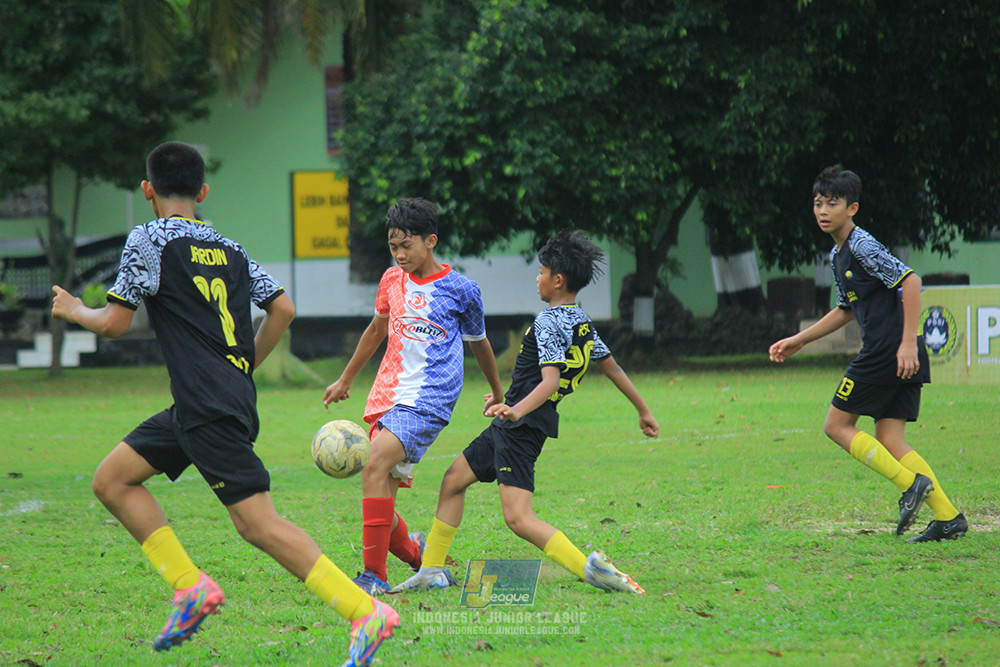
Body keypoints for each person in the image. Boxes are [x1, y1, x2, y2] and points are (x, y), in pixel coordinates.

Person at [51, 141, 399, 666]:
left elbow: (116, 323)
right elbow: (282, 308)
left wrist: (77, 309)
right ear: (202, 192)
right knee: (113, 479)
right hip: (214, 399)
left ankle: (363, 611)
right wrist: (241, 366)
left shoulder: (148, 239)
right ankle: (190, 588)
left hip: (206, 403)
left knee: (258, 524)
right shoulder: (229, 248)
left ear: (147, 190)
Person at [393, 230, 660, 594]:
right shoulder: (580, 321)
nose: (537, 279)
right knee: (453, 480)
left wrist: (516, 410)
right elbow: (612, 367)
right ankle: (431, 571)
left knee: (518, 518)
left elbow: (549, 381)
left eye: (541, 272)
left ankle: (589, 568)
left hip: (522, 425)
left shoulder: (550, 321)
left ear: (558, 279)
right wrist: (643, 410)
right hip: (516, 421)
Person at [769, 165, 967, 542]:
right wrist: (801, 339)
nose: (823, 211)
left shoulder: (861, 245)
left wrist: (908, 342)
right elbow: (846, 309)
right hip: (897, 351)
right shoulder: (837, 254)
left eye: (833, 203)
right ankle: (948, 517)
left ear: (852, 208)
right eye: (817, 204)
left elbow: (911, 282)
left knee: (836, 426)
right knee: (891, 438)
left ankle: (911, 485)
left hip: (888, 350)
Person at [322, 197, 505, 594]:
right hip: (386, 396)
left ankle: (373, 577)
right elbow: (375, 332)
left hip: (429, 399)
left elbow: (480, 344)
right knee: (380, 501)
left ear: (431, 241)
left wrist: (496, 391)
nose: (400, 254)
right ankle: (426, 563)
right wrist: (345, 380)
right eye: (393, 247)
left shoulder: (461, 289)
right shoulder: (391, 281)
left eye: (407, 246)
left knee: (371, 469)